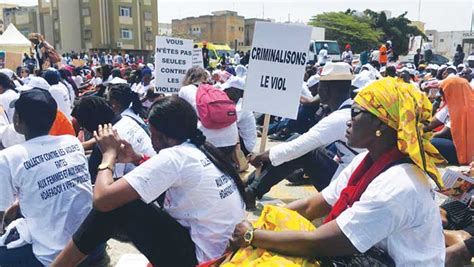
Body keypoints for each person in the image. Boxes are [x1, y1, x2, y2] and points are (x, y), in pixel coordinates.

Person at [230, 77, 445, 266]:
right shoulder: (366, 160)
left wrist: (252, 235)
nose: (349, 121)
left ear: (381, 125)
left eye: (356, 113)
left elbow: (321, 243)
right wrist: (265, 222)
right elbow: (312, 205)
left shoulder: (398, 185)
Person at [51, 96, 246, 267]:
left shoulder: (174, 157)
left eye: (151, 133)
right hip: (222, 252)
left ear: (162, 136)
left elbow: (101, 199)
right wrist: (137, 158)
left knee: (116, 205)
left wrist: (108, 155)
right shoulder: (200, 149)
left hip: (202, 261)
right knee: (123, 193)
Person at [245, 63, 361, 208]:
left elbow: (298, 147)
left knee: (303, 150)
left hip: (346, 185)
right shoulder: (351, 110)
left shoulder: (338, 119)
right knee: (298, 144)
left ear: (326, 89)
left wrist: (261, 156)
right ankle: (249, 185)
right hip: (351, 175)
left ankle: (251, 191)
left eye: (320, 86)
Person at [0, 88, 92, 266]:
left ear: (17, 120)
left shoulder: (9, 157)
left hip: (52, 258)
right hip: (90, 248)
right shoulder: (71, 142)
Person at [72, 96, 155, 182]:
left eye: (83, 124)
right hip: (150, 170)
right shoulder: (126, 119)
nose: (84, 128)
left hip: (145, 183)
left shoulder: (113, 140)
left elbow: (113, 181)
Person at [179, 66, 239, 163]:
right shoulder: (217, 88)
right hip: (231, 140)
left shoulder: (185, 90)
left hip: (207, 142)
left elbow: (182, 118)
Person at [429, 76, 474, 165]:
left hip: (465, 151)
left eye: (443, 92)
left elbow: (443, 133)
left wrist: (422, 138)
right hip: (457, 144)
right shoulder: (450, 105)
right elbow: (431, 123)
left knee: (430, 142)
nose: (441, 96)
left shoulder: (463, 108)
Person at [222, 76, 256, 156]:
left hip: (245, 145)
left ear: (237, 91)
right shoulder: (236, 103)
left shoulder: (241, 106)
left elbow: (227, 122)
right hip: (242, 141)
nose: (224, 91)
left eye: (228, 90)